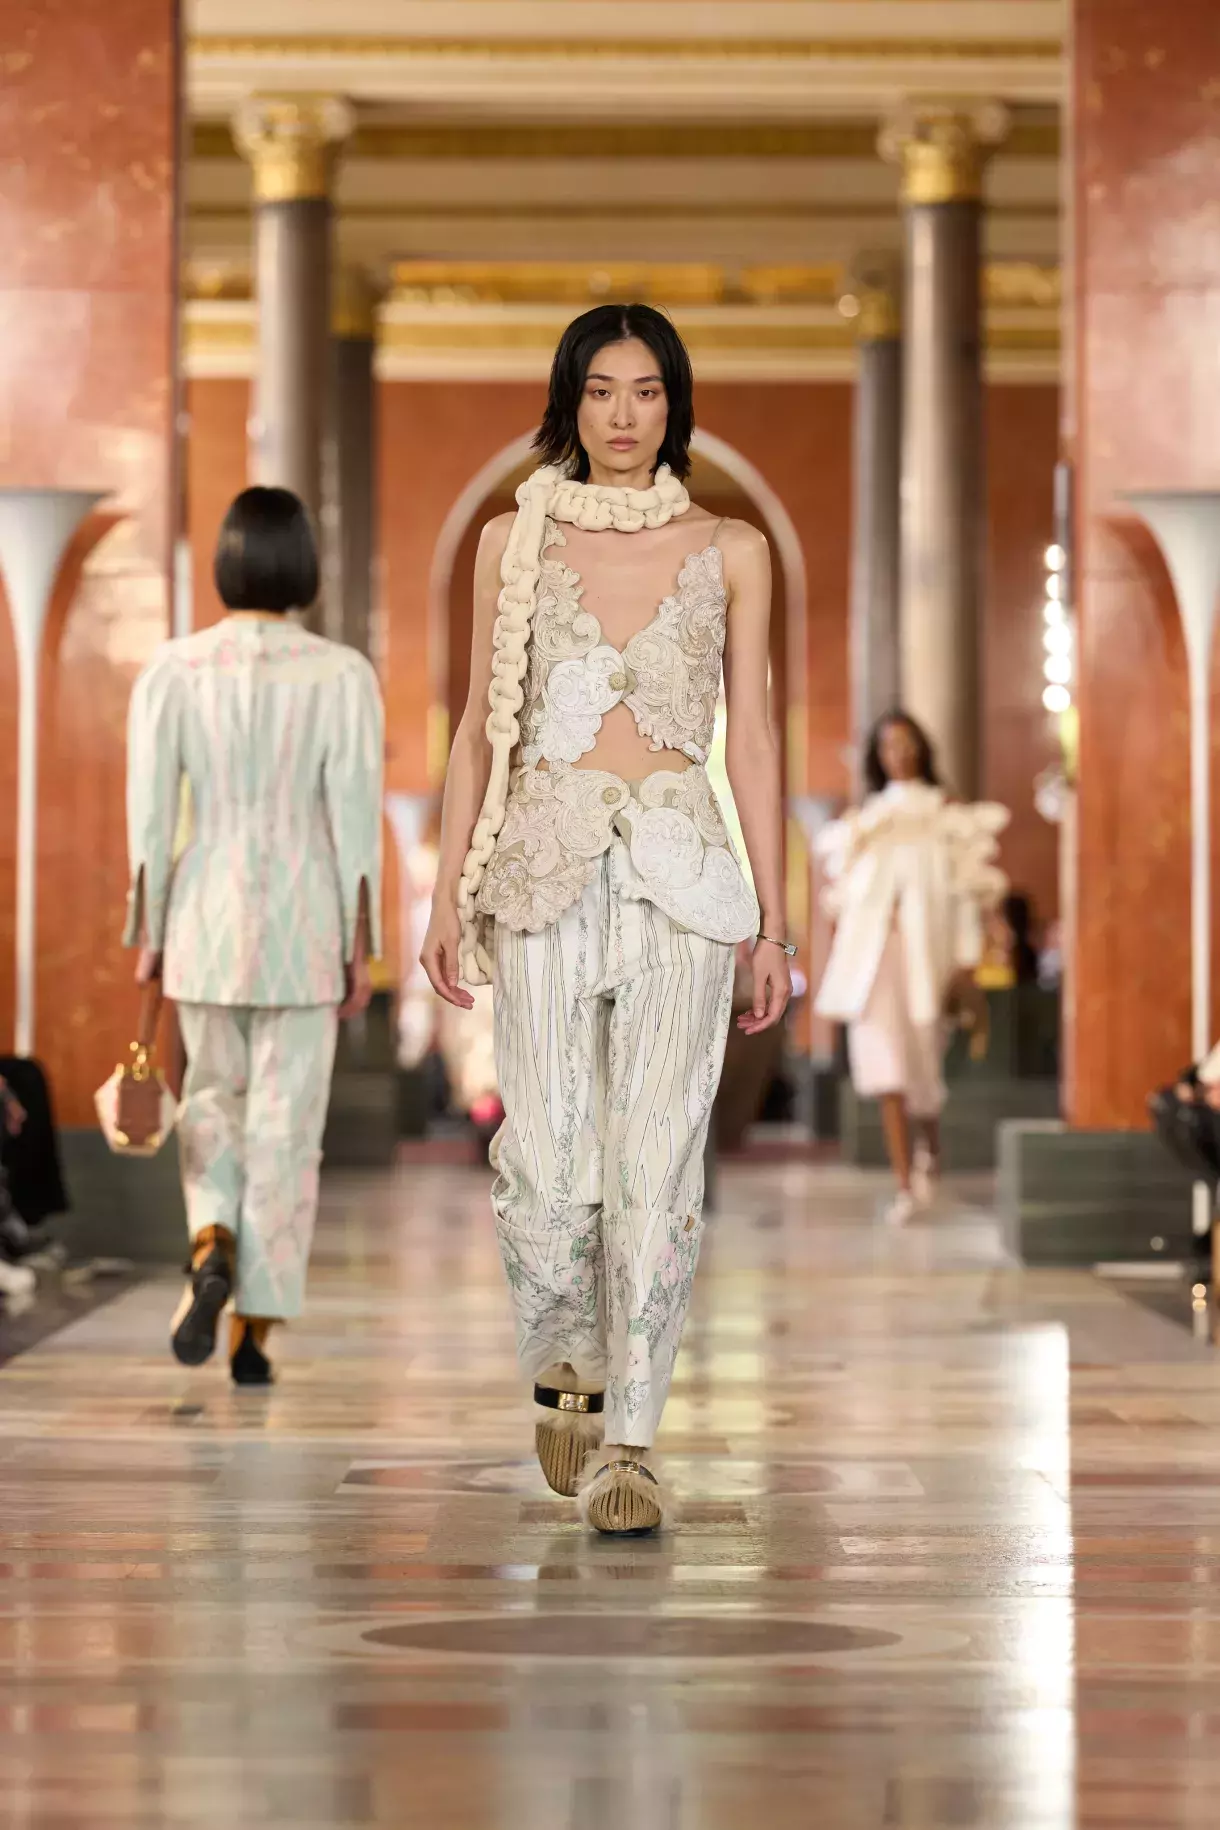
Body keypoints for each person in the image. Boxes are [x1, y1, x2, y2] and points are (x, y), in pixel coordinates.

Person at [420, 303, 792, 1535]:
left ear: (672, 403)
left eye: (644, 391)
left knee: (656, 1161)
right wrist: (445, 890)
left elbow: (757, 737)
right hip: (542, 870)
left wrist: (772, 923)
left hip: (684, 880)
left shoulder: (731, 547)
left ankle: (631, 1438)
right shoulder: (510, 540)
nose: (622, 416)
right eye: (598, 391)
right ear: (568, 402)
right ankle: (563, 1359)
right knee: (545, 1157)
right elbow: (477, 729)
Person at [124, 486, 384, 1385]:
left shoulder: (174, 669)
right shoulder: (341, 675)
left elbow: (151, 817)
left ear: (225, 562)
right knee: (286, 1127)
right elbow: (354, 819)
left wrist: (149, 927)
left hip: (203, 914)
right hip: (305, 922)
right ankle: (253, 1333)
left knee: (211, 1102)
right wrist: (360, 941)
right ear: (304, 565)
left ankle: (211, 1242)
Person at [814, 711, 1008, 1226]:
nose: (897, 753)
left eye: (905, 742)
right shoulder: (866, 820)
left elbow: (967, 890)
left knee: (921, 1064)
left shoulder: (944, 813)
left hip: (926, 959)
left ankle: (930, 1148)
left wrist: (967, 959)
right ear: (877, 755)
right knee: (885, 1066)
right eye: (887, 745)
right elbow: (843, 896)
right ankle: (904, 1183)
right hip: (873, 958)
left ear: (920, 747)